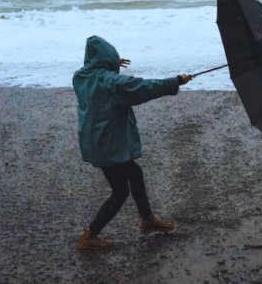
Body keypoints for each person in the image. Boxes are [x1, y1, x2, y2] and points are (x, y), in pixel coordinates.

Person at [73, 35, 193, 253]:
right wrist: (175, 81)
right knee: (120, 191)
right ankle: (89, 236)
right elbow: (142, 87)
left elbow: (99, 75)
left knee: (134, 173)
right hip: (108, 144)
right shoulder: (111, 82)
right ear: (107, 60)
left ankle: (147, 221)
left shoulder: (81, 77)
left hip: (97, 139)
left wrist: (111, 65)